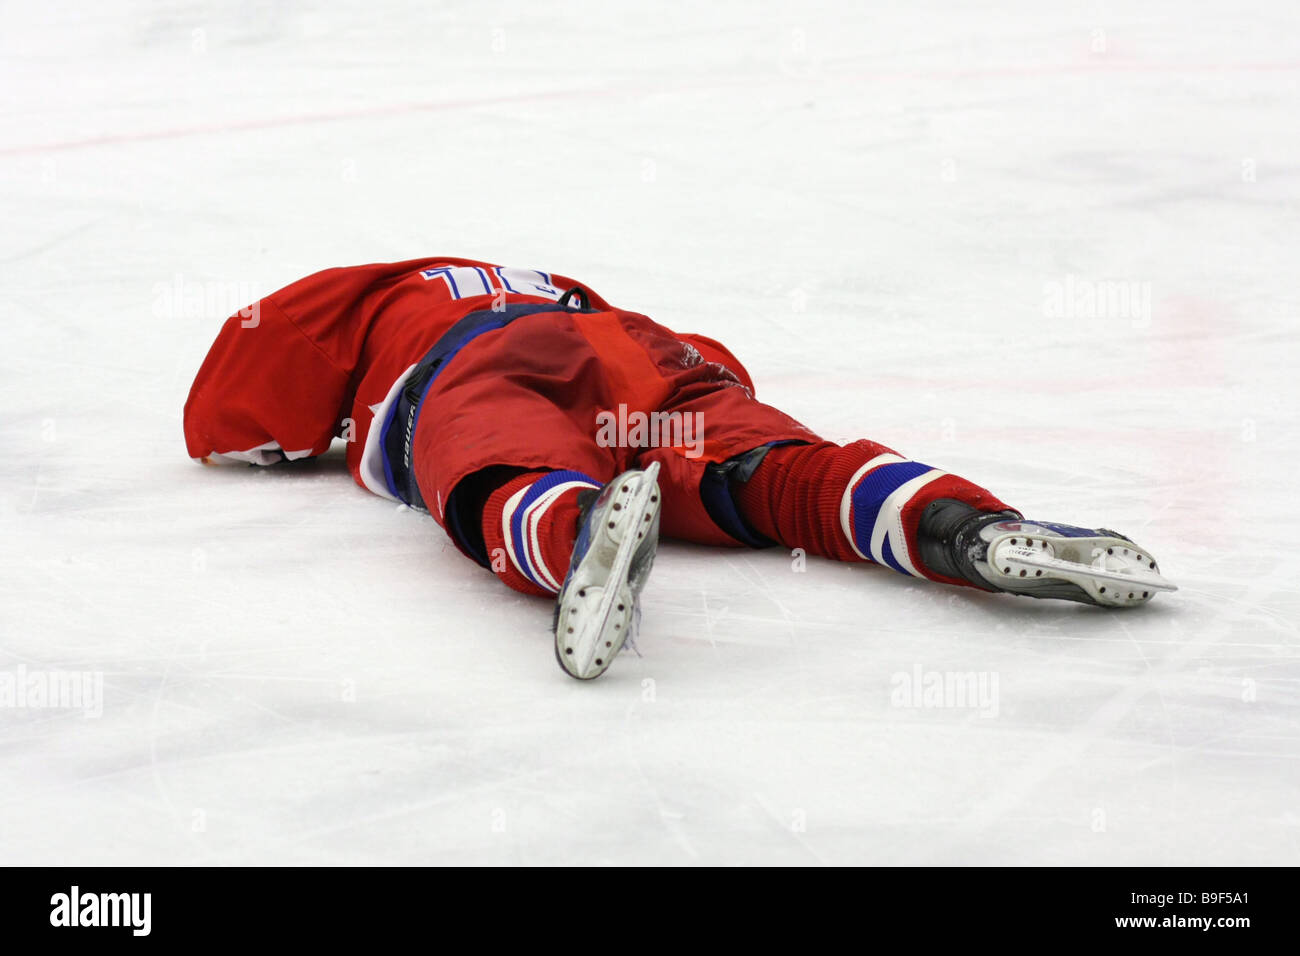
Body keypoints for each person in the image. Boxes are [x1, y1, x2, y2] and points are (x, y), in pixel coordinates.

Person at [184, 257, 1176, 679]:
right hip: (637, 347)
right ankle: (963, 528)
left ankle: (576, 533)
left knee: (490, 460)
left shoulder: (367, 295)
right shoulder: (542, 276)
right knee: (780, 475)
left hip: (484, 361)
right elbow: (698, 366)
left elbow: (234, 401)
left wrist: (278, 444)